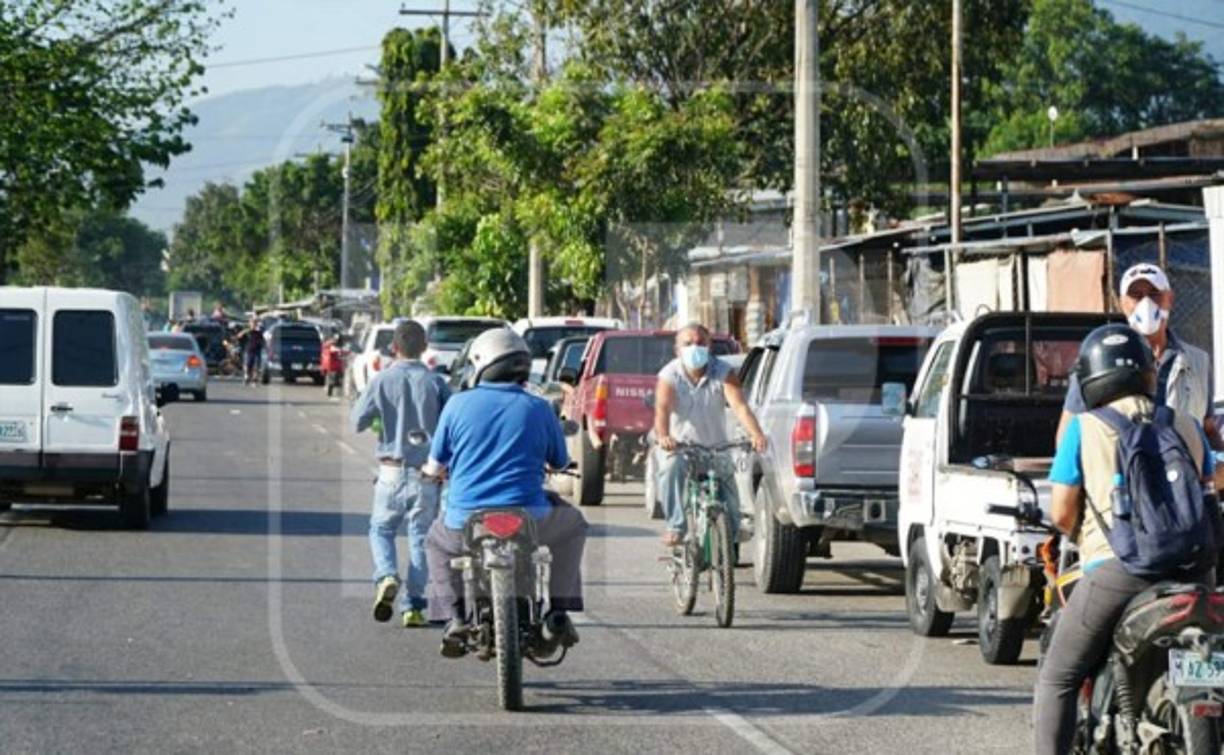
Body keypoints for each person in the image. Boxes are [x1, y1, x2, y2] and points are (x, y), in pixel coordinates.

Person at [1034, 324, 1217, 755]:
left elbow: (1061, 513)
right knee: (1215, 661)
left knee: (1057, 676)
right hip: (1197, 570)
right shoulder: (1188, 425)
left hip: (1122, 570)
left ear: (1090, 377)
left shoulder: (1084, 427)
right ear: (1148, 371)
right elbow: (1210, 485)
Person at [423, 328, 586, 657]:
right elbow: (560, 460)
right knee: (575, 525)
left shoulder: (456, 405)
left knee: (434, 543)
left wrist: (430, 475)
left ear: (481, 363)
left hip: (464, 521)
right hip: (532, 517)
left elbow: (435, 465)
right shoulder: (539, 408)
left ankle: (454, 618)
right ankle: (558, 611)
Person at [351, 320, 450, 628]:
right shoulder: (437, 384)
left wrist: (383, 420)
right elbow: (453, 427)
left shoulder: (381, 381)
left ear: (393, 348)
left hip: (391, 471)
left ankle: (386, 575)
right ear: (424, 348)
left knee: (380, 530)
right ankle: (414, 606)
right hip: (427, 476)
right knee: (421, 539)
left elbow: (357, 421)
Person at [1057, 263, 1215, 446]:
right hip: (1122, 471)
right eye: (1136, 296)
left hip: (1180, 471)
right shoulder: (1096, 360)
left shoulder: (1198, 362)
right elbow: (1066, 436)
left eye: (1154, 294)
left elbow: (1208, 430)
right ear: (1122, 303)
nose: (1146, 304)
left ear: (1169, 299)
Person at [652, 323, 768, 547]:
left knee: (732, 504)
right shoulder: (669, 375)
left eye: (700, 343)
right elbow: (662, 410)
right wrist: (664, 436)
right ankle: (676, 526)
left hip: (716, 448)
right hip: (680, 448)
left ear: (709, 346)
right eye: (687, 344)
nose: (694, 348)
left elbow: (740, 407)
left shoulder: (723, 372)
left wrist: (756, 434)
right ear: (677, 349)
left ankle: (727, 545)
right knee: (669, 469)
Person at [238, 319, 266, 386]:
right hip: (249, 351)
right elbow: (239, 336)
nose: (254, 325)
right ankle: (247, 377)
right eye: (252, 323)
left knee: (256, 366)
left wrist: (263, 345)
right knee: (248, 365)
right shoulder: (247, 332)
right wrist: (245, 331)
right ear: (249, 324)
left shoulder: (259, 332)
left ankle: (254, 380)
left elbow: (263, 341)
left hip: (257, 351)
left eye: (255, 323)